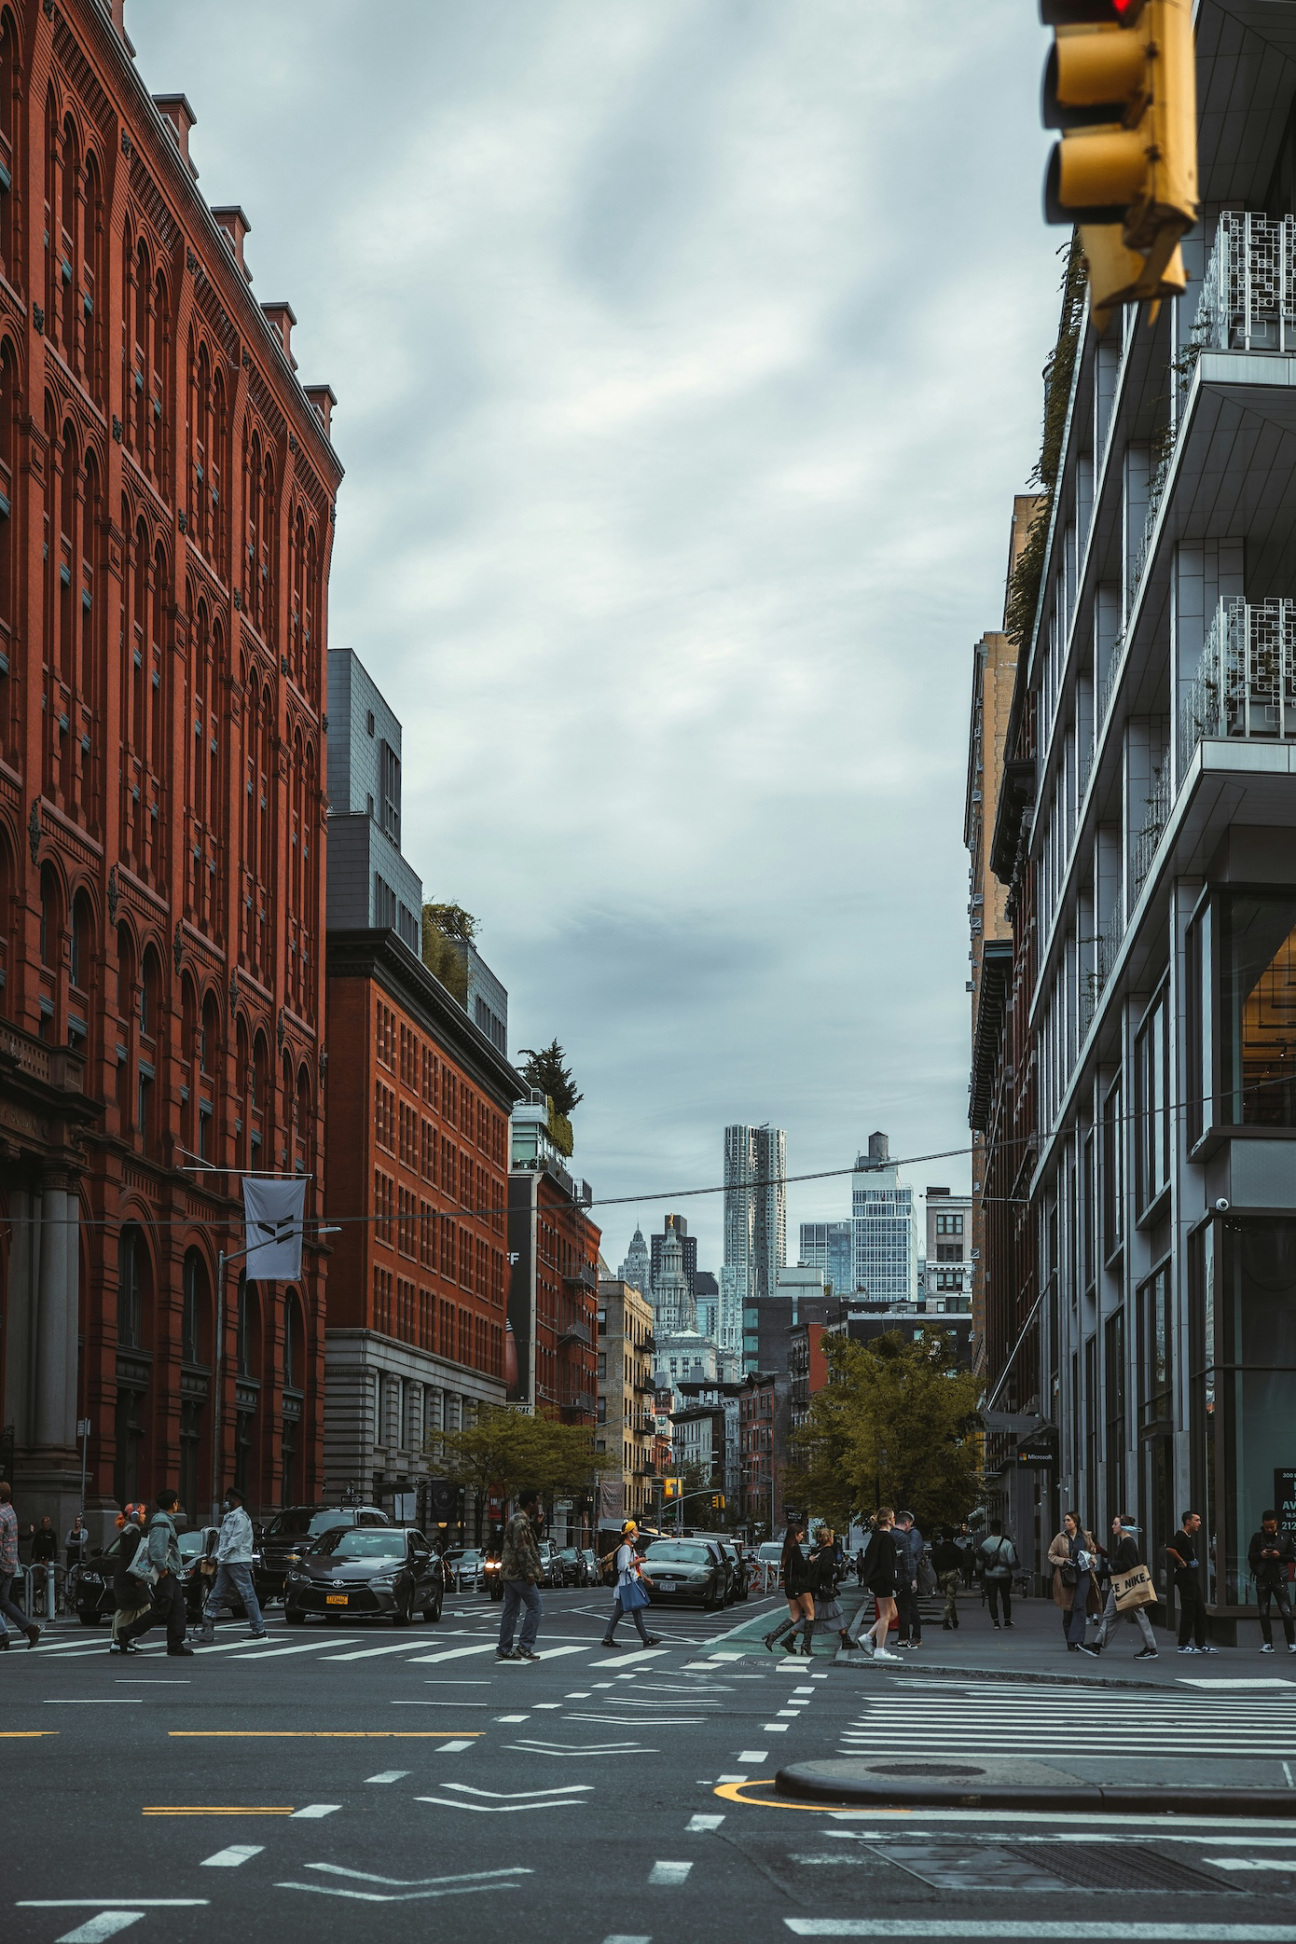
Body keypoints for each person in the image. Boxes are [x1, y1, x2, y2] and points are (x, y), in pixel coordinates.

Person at [116, 1490, 193, 1657]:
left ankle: (175, 1644)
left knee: (177, 1608)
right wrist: (162, 1569)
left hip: (170, 1572)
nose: (177, 1504)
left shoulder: (165, 1520)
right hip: (165, 1572)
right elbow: (157, 1548)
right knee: (161, 1608)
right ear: (173, 1503)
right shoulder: (161, 1521)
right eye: (176, 1501)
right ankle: (126, 1633)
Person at [1079, 1513, 1157, 1660]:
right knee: (1112, 1616)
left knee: (1128, 1616)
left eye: (1115, 1524)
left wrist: (1110, 1566)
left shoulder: (1127, 1543)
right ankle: (1097, 1645)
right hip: (1124, 1586)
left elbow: (1128, 1565)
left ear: (1123, 1526)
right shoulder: (1127, 1542)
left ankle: (1151, 1648)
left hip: (1125, 1586)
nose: (1112, 1526)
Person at [198, 1486, 267, 1642]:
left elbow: (234, 1542)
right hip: (228, 1562)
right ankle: (207, 1629)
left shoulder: (241, 1518)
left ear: (236, 1500)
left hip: (238, 1561)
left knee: (247, 1595)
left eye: (228, 1498)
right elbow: (222, 1541)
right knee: (216, 1594)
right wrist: (216, 1557)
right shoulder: (230, 1517)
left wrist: (216, 1557)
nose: (225, 1502)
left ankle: (259, 1629)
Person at [497, 1488, 544, 1662]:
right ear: (530, 1504)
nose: (538, 1506)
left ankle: (504, 1648)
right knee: (536, 1606)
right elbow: (523, 1549)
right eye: (537, 1503)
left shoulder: (520, 1520)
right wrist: (530, 1572)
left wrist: (538, 1525)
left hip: (509, 1573)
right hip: (519, 1573)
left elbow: (530, 1543)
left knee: (511, 1611)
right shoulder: (521, 1522)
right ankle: (524, 1646)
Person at [601, 1520, 663, 1650]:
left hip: (629, 1584)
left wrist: (645, 1578)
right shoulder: (625, 1548)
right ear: (629, 1534)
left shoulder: (630, 1548)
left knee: (628, 1612)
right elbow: (622, 1566)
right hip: (626, 1586)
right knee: (627, 1612)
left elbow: (634, 1569)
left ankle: (610, 1637)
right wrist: (639, 1560)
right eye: (635, 1530)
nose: (637, 1533)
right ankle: (645, 1639)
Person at [1167, 1510, 1216, 1656]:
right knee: (1189, 1611)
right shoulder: (1181, 1535)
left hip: (1192, 1578)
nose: (1199, 1523)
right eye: (1197, 1520)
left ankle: (1201, 1643)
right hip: (1185, 1579)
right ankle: (1183, 1644)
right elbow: (1170, 1548)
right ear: (1188, 1521)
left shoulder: (1188, 1537)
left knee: (1200, 1610)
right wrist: (1181, 1561)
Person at [856, 1509, 902, 1662]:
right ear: (888, 1520)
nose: (895, 1520)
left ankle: (868, 1637)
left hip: (876, 1579)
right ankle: (879, 1649)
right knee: (885, 1615)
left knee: (892, 1613)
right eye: (893, 1517)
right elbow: (887, 1564)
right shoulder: (887, 1538)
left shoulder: (876, 1537)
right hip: (883, 1580)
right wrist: (894, 1583)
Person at [763, 1520, 814, 1654]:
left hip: (789, 1586)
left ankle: (772, 1636)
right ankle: (806, 1645)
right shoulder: (795, 1548)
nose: (802, 1537)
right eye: (801, 1534)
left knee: (795, 1615)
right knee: (810, 1613)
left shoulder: (786, 1548)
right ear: (796, 1535)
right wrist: (810, 1561)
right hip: (800, 1585)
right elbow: (801, 1568)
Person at [1248, 1511, 1296, 1654]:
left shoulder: (1285, 1537)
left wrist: (1279, 1555)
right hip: (1263, 1578)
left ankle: (1291, 1642)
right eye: (1267, 1527)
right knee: (1263, 1612)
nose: (1269, 1530)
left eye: (1271, 1527)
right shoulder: (1257, 1538)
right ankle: (1268, 1642)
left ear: (1276, 1524)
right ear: (1263, 1524)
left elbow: (1292, 1557)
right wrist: (1260, 1555)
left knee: (1286, 1611)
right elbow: (1250, 1556)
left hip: (1279, 1578)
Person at [1048, 1510, 1096, 1651]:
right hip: (1067, 1576)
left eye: (1068, 1520)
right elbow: (1051, 1555)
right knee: (1068, 1608)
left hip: (1083, 1575)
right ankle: (1070, 1640)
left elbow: (1092, 1551)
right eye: (1065, 1520)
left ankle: (1078, 1640)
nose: (1066, 1523)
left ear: (1075, 1522)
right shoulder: (1060, 1537)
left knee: (1080, 1606)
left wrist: (1092, 1561)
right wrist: (1063, 1561)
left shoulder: (1085, 1536)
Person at [108, 1503, 152, 1655]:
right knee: (129, 1608)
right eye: (141, 1513)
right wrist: (138, 1576)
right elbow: (133, 1556)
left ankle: (127, 1637)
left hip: (125, 1574)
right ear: (135, 1516)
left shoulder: (129, 1531)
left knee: (133, 1607)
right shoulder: (132, 1532)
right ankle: (119, 1639)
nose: (144, 1516)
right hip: (128, 1576)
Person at [0, 1480, 39, 1649]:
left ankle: (2, 1634)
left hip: (1, 1564)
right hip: (11, 1564)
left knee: (4, 1601)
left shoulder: (1, 1515)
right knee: (4, 1601)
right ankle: (29, 1628)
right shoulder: (10, 1511)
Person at [806, 1524, 852, 1655]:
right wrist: (835, 1568)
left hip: (819, 1588)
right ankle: (793, 1636)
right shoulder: (829, 1552)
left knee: (835, 1612)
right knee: (811, 1616)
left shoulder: (819, 1551)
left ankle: (845, 1637)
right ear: (828, 1538)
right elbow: (825, 1569)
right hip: (824, 1589)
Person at [977, 1518, 1018, 1629]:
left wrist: (981, 1573)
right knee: (1006, 1597)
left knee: (992, 1598)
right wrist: (1016, 1575)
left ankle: (995, 1622)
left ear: (990, 1529)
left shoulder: (985, 1544)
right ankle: (1007, 1620)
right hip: (1005, 1575)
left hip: (990, 1575)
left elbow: (979, 1563)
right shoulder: (1007, 1543)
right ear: (1001, 1529)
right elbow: (1012, 1562)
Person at [894, 1511, 924, 1649]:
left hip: (910, 1572)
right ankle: (904, 1636)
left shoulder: (913, 1534)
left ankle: (915, 1636)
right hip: (906, 1572)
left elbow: (910, 1552)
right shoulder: (904, 1535)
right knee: (904, 1607)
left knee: (910, 1607)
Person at [932, 1526, 963, 1630]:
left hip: (941, 1575)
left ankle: (955, 1620)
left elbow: (934, 1563)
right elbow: (960, 1563)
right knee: (950, 1598)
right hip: (952, 1574)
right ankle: (946, 1620)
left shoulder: (938, 1550)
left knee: (949, 1597)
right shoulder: (956, 1549)